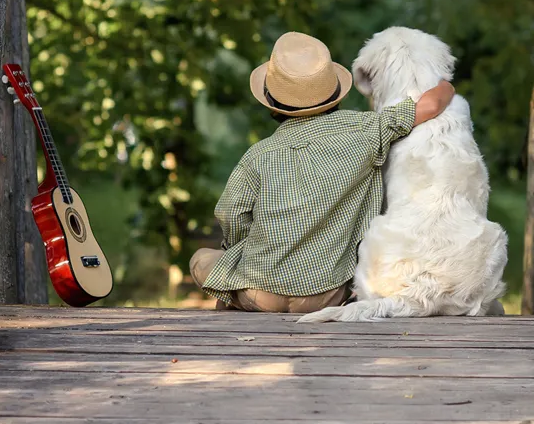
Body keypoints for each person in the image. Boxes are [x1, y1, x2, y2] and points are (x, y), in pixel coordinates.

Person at [190, 31, 455, 313]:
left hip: (259, 292)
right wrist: (446, 87)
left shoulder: (257, 156)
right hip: (327, 295)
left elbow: (232, 215)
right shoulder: (366, 130)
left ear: (272, 100)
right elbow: (433, 103)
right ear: (334, 91)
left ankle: (232, 308)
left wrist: (240, 253)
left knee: (202, 259)